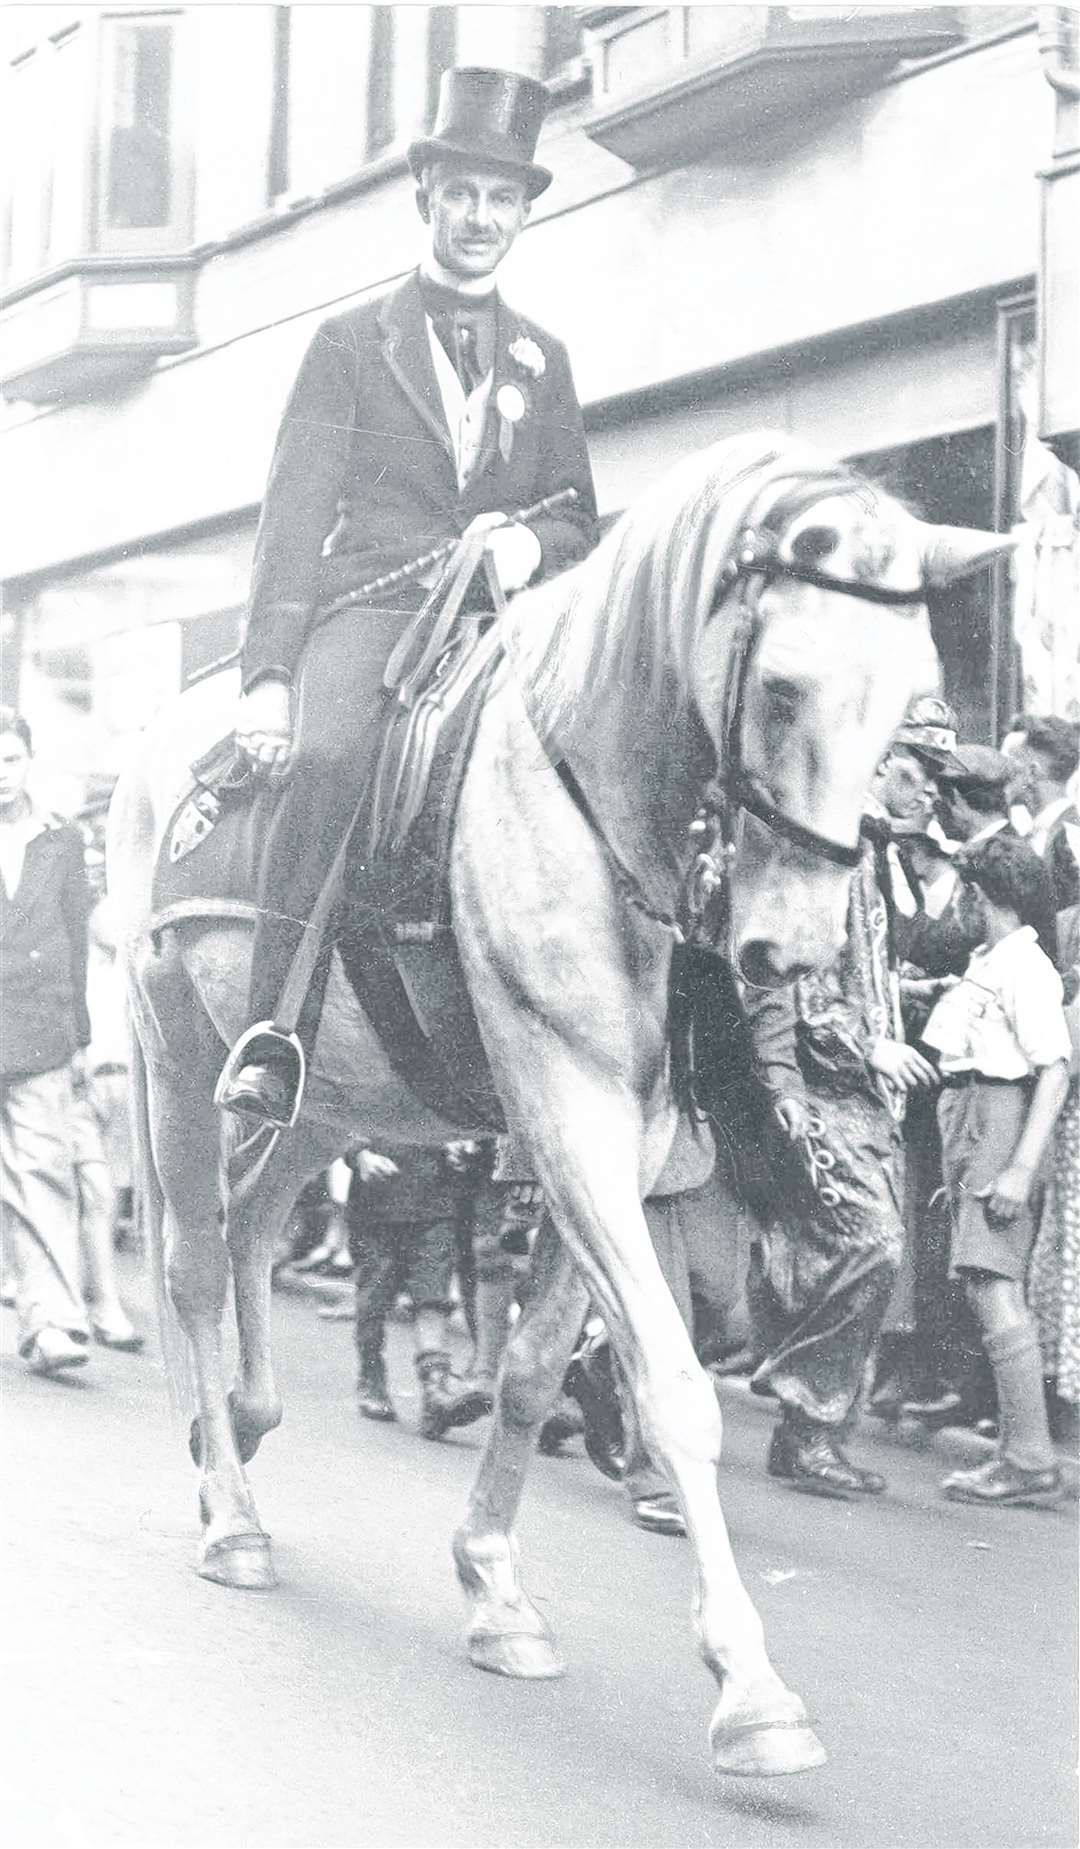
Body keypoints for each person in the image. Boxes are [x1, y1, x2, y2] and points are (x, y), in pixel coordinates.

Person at [217, 66, 598, 1126]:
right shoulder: (347, 346)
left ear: (524, 213)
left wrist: (527, 543)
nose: (482, 219)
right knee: (333, 757)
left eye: (503, 199)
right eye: (464, 195)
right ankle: (272, 1030)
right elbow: (291, 524)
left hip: (504, 624)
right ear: (426, 197)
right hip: (376, 611)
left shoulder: (545, 358)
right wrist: (267, 678)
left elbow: (579, 514)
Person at [740, 734, 941, 1498]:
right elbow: (799, 978)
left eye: (934, 784)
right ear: (878, 764)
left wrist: (900, 999)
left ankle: (809, 1435)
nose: (928, 795)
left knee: (836, 1249)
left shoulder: (882, 850)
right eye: (917, 776)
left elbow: (862, 967)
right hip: (824, 1083)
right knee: (872, 1244)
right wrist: (871, 1046)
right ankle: (804, 1408)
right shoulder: (837, 847)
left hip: (859, 1091)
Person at [922, 834, 1070, 1506]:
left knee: (991, 1282)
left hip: (999, 1116)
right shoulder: (993, 960)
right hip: (973, 1114)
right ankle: (1020, 1452)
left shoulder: (1026, 966)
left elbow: (1055, 1069)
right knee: (984, 1279)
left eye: (968, 894)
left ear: (986, 897)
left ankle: (1030, 1455)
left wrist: (1017, 1167)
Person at [0, 710, 94, 1374]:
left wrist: (81, 1035)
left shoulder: (63, 841)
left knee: (44, 1172)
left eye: (9, 759)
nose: (0, 774)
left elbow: (78, 937)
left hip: (40, 1028)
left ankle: (54, 1320)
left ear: (28, 760)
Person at [347, 1141, 492, 1440]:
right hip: (377, 1208)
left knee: (432, 1298)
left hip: (435, 1206)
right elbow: (343, 1121)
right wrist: (360, 1157)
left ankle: (436, 1392)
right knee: (372, 1303)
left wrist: (462, 1149)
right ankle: (371, 1377)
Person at [1004, 715, 1080, 910]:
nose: (1001, 775)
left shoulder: (1070, 837)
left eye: (1010, 766)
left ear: (1032, 772)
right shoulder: (1041, 832)